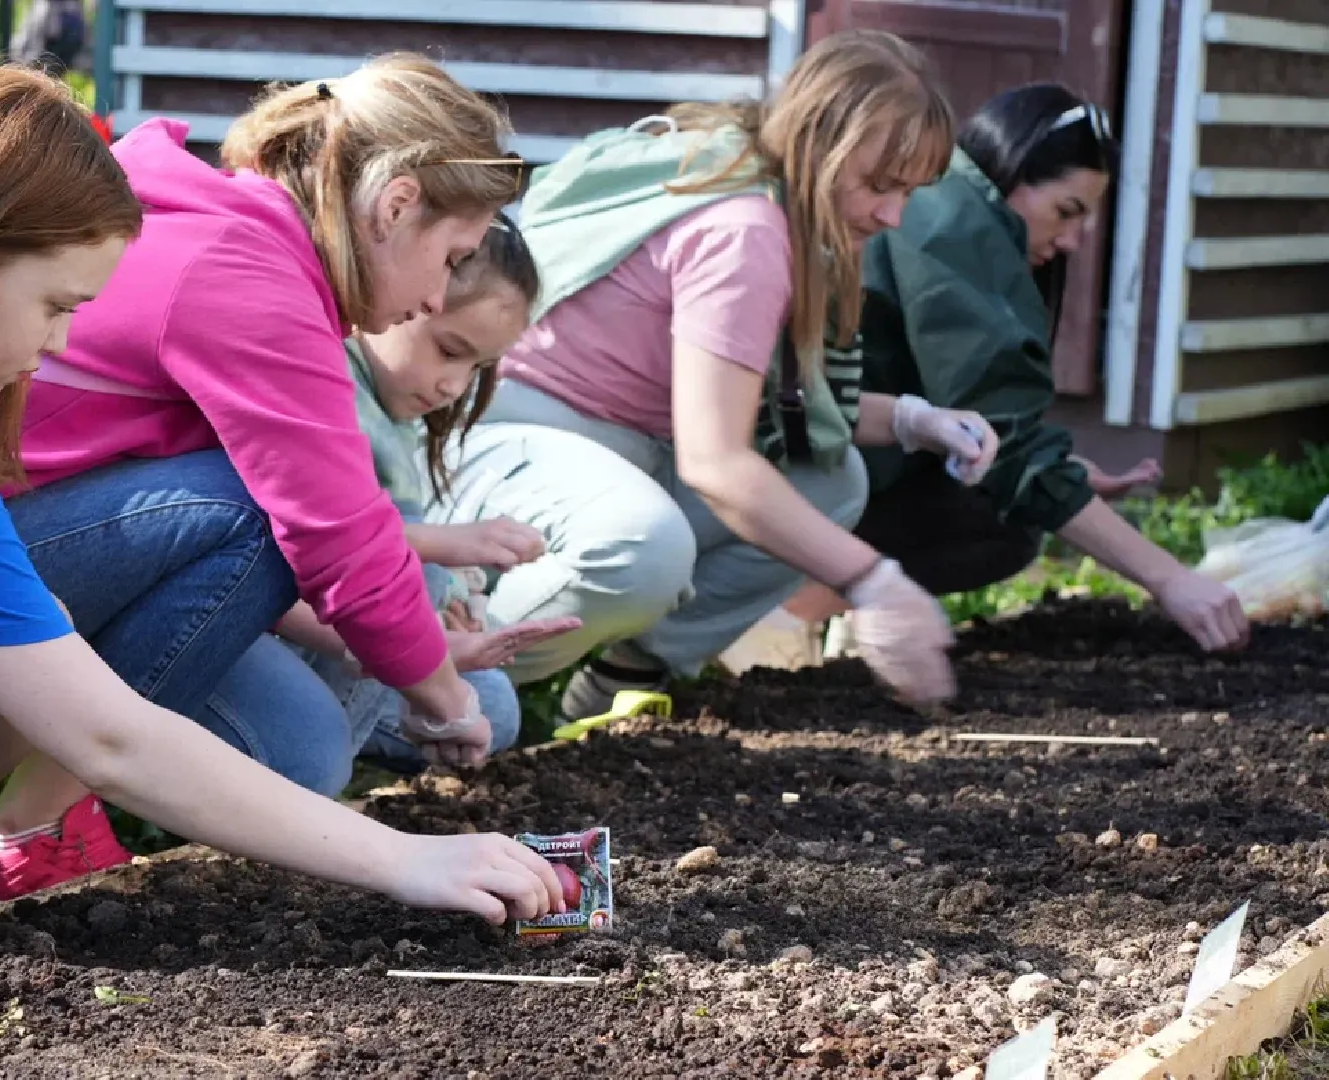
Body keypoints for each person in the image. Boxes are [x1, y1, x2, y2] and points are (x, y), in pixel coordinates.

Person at [0, 66, 563, 958]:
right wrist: (406, 860)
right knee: (39, 689)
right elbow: (112, 739)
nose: (61, 344)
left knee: (22, 674)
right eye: (56, 305)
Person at [421, 30, 999, 723]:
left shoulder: (762, 193)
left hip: (621, 442)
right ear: (820, 147)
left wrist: (913, 419)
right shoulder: (745, 232)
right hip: (515, 432)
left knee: (828, 480)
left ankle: (611, 683)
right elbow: (716, 463)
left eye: (907, 192)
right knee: (644, 549)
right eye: (878, 185)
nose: (891, 214)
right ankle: (423, 684)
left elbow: (779, 407)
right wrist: (874, 581)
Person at [787, 83, 1248, 655]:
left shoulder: (948, 205)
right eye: (1066, 212)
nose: (1074, 240)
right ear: (1011, 174)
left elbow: (961, 414)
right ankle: (779, 615)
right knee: (999, 517)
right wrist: (1171, 578)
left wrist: (1066, 471)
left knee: (999, 509)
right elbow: (1009, 445)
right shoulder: (954, 222)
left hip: (825, 451)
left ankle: (819, 615)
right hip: (795, 471)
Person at [257, 213, 573, 781]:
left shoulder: (394, 409)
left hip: (335, 644)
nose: (455, 384)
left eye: (476, 367)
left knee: (494, 706)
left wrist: (454, 600)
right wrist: (440, 552)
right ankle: (304, 785)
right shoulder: (328, 383)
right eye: (449, 350)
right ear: (404, 299)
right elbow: (303, 536)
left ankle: (333, 745)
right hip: (272, 633)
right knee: (410, 580)